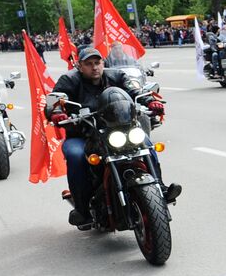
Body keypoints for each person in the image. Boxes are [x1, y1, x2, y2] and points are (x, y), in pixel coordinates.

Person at [50, 46, 179, 228]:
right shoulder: (70, 80)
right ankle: (82, 209)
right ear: (80, 66)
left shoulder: (116, 76)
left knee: (146, 144)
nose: (94, 67)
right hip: (84, 134)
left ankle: (160, 187)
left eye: (97, 62)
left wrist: (151, 101)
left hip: (118, 129)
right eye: (89, 64)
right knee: (76, 156)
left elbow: (136, 91)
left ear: (103, 63)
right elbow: (56, 99)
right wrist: (56, 111)